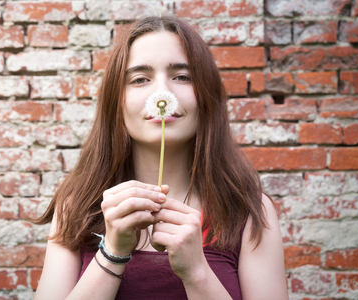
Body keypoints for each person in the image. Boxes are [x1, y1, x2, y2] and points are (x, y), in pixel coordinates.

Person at [34, 15, 288, 300]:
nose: (163, 93)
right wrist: (113, 252)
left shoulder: (249, 211)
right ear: (116, 102)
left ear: (206, 95)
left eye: (182, 77)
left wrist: (196, 272)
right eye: (140, 79)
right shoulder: (76, 207)